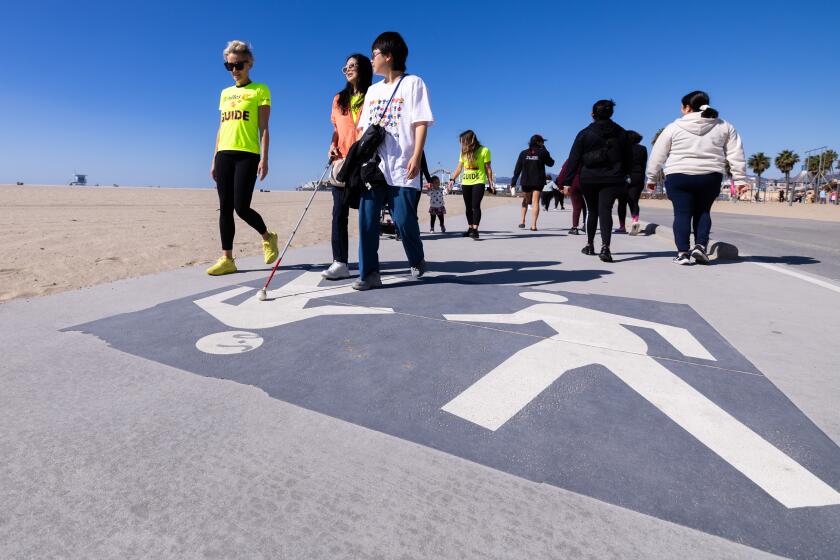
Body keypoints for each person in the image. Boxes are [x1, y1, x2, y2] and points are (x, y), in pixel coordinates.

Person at [353, 32, 433, 291]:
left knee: (403, 220)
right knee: (367, 220)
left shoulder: (414, 84)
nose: (371, 59)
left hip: (402, 166)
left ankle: (416, 258)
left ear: (388, 56)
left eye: (374, 54)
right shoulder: (373, 91)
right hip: (374, 167)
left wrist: (416, 155)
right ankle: (369, 274)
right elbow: (362, 128)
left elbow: (420, 121)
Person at [646, 90, 748, 265]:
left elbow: (658, 154)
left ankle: (683, 253)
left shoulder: (674, 127)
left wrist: (651, 177)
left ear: (687, 108)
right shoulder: (724, 126)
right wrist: (739, 179)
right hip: (710, 176)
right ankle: (700, 247)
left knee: (682, 214)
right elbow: (735, 153)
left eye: (682, 107)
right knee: (703, 212)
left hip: (679, 175)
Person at [207, 40, 278, 276]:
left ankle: (268, 237)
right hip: (224, 154)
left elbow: (264, 128)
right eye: (229, 67)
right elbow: (221, 126)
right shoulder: (225, 94)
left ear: (249, 64)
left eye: (238, 65)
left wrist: (265, 158)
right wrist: (213, 157)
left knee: (241, 207)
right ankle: (227, 259)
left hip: (248, 155)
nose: (234, 71)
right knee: (224, 208)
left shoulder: (260, 90)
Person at [558, 100, 632, 262]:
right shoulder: (621, 133)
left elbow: (574, 159)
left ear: (592, 114)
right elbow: (628, 157)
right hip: (612, 177)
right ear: (611, 113)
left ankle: (590, 245)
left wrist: (567, 181)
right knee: (605, 211)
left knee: (592, 211)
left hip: (589, 177)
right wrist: (624, 174)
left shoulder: (584, 133)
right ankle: (606, 247)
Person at [323, 54, 373, 280]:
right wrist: (332, 146)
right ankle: (340, 262)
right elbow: (337, 130)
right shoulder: (338, 99)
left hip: (367, 162)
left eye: (353, 66)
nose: (348, 69)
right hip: (342, 162)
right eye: (346, 67)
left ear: (363, 68)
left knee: (367, 213)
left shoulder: (374, 94)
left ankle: (369, 262)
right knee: (338, 214)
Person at [448, 130, 493, 239]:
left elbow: (488, 169)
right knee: (468, 207)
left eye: (462, 141)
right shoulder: (463, 152)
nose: (461, 144)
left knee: (475, 206)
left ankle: (475, 229)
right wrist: (452, 179)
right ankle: (470, 228)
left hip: (479, 182)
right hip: (466, 182)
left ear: (469, 141)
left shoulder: (484, 150)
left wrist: (491, 183)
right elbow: (459, 167)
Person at [511, 135, 555, 231]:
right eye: (542, 142)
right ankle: (534, 225)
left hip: (526, 180)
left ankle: (522, 221)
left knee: (526, 200)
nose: (543, 143)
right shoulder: (543, 153)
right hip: (538, 181)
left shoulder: (523, 153)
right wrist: (545, 149)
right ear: (539, 142)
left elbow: (517, 168)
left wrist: (513, 182)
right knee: (535, 202)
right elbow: (551, 163)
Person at [618, 130, 648, 235]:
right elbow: (644, 165)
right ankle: (635, 221)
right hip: (638, 177)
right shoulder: (643, 149)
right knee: (634, 201)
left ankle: (622, 227)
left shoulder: (622, 149)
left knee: (622, 202)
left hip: (624, 177)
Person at [558, 159, 585, 235]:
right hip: (587, 182)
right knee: (587, 206)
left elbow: (562, 173)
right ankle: (586, 225)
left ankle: (575, 227)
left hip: (573, 183)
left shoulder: (570, 159)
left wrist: (560, 186)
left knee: (576, 207)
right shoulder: (589, 157)